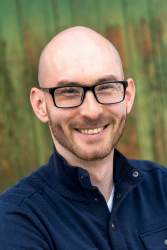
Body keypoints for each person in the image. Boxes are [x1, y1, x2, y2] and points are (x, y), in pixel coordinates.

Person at [0, 26, 167, 250]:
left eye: (107, 87)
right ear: (40, 105)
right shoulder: (17, 220)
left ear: (127, 96)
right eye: (69, 91)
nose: (92, 111)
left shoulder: (163, 188)